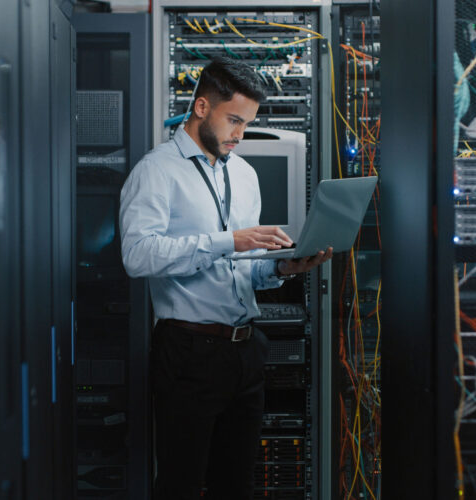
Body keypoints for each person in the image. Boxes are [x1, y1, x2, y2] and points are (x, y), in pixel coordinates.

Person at [119, 57, 332, 499]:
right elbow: (137, 256)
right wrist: (227, 241)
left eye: (247, 123)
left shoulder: (244, 174)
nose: (240, 134)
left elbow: (241, 266)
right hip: (188, 351)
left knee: (236, 485)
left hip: (245, 350)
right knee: (179, 484)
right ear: (201, 107)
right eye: (234, 120)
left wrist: (280, 268)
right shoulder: (155, 171)